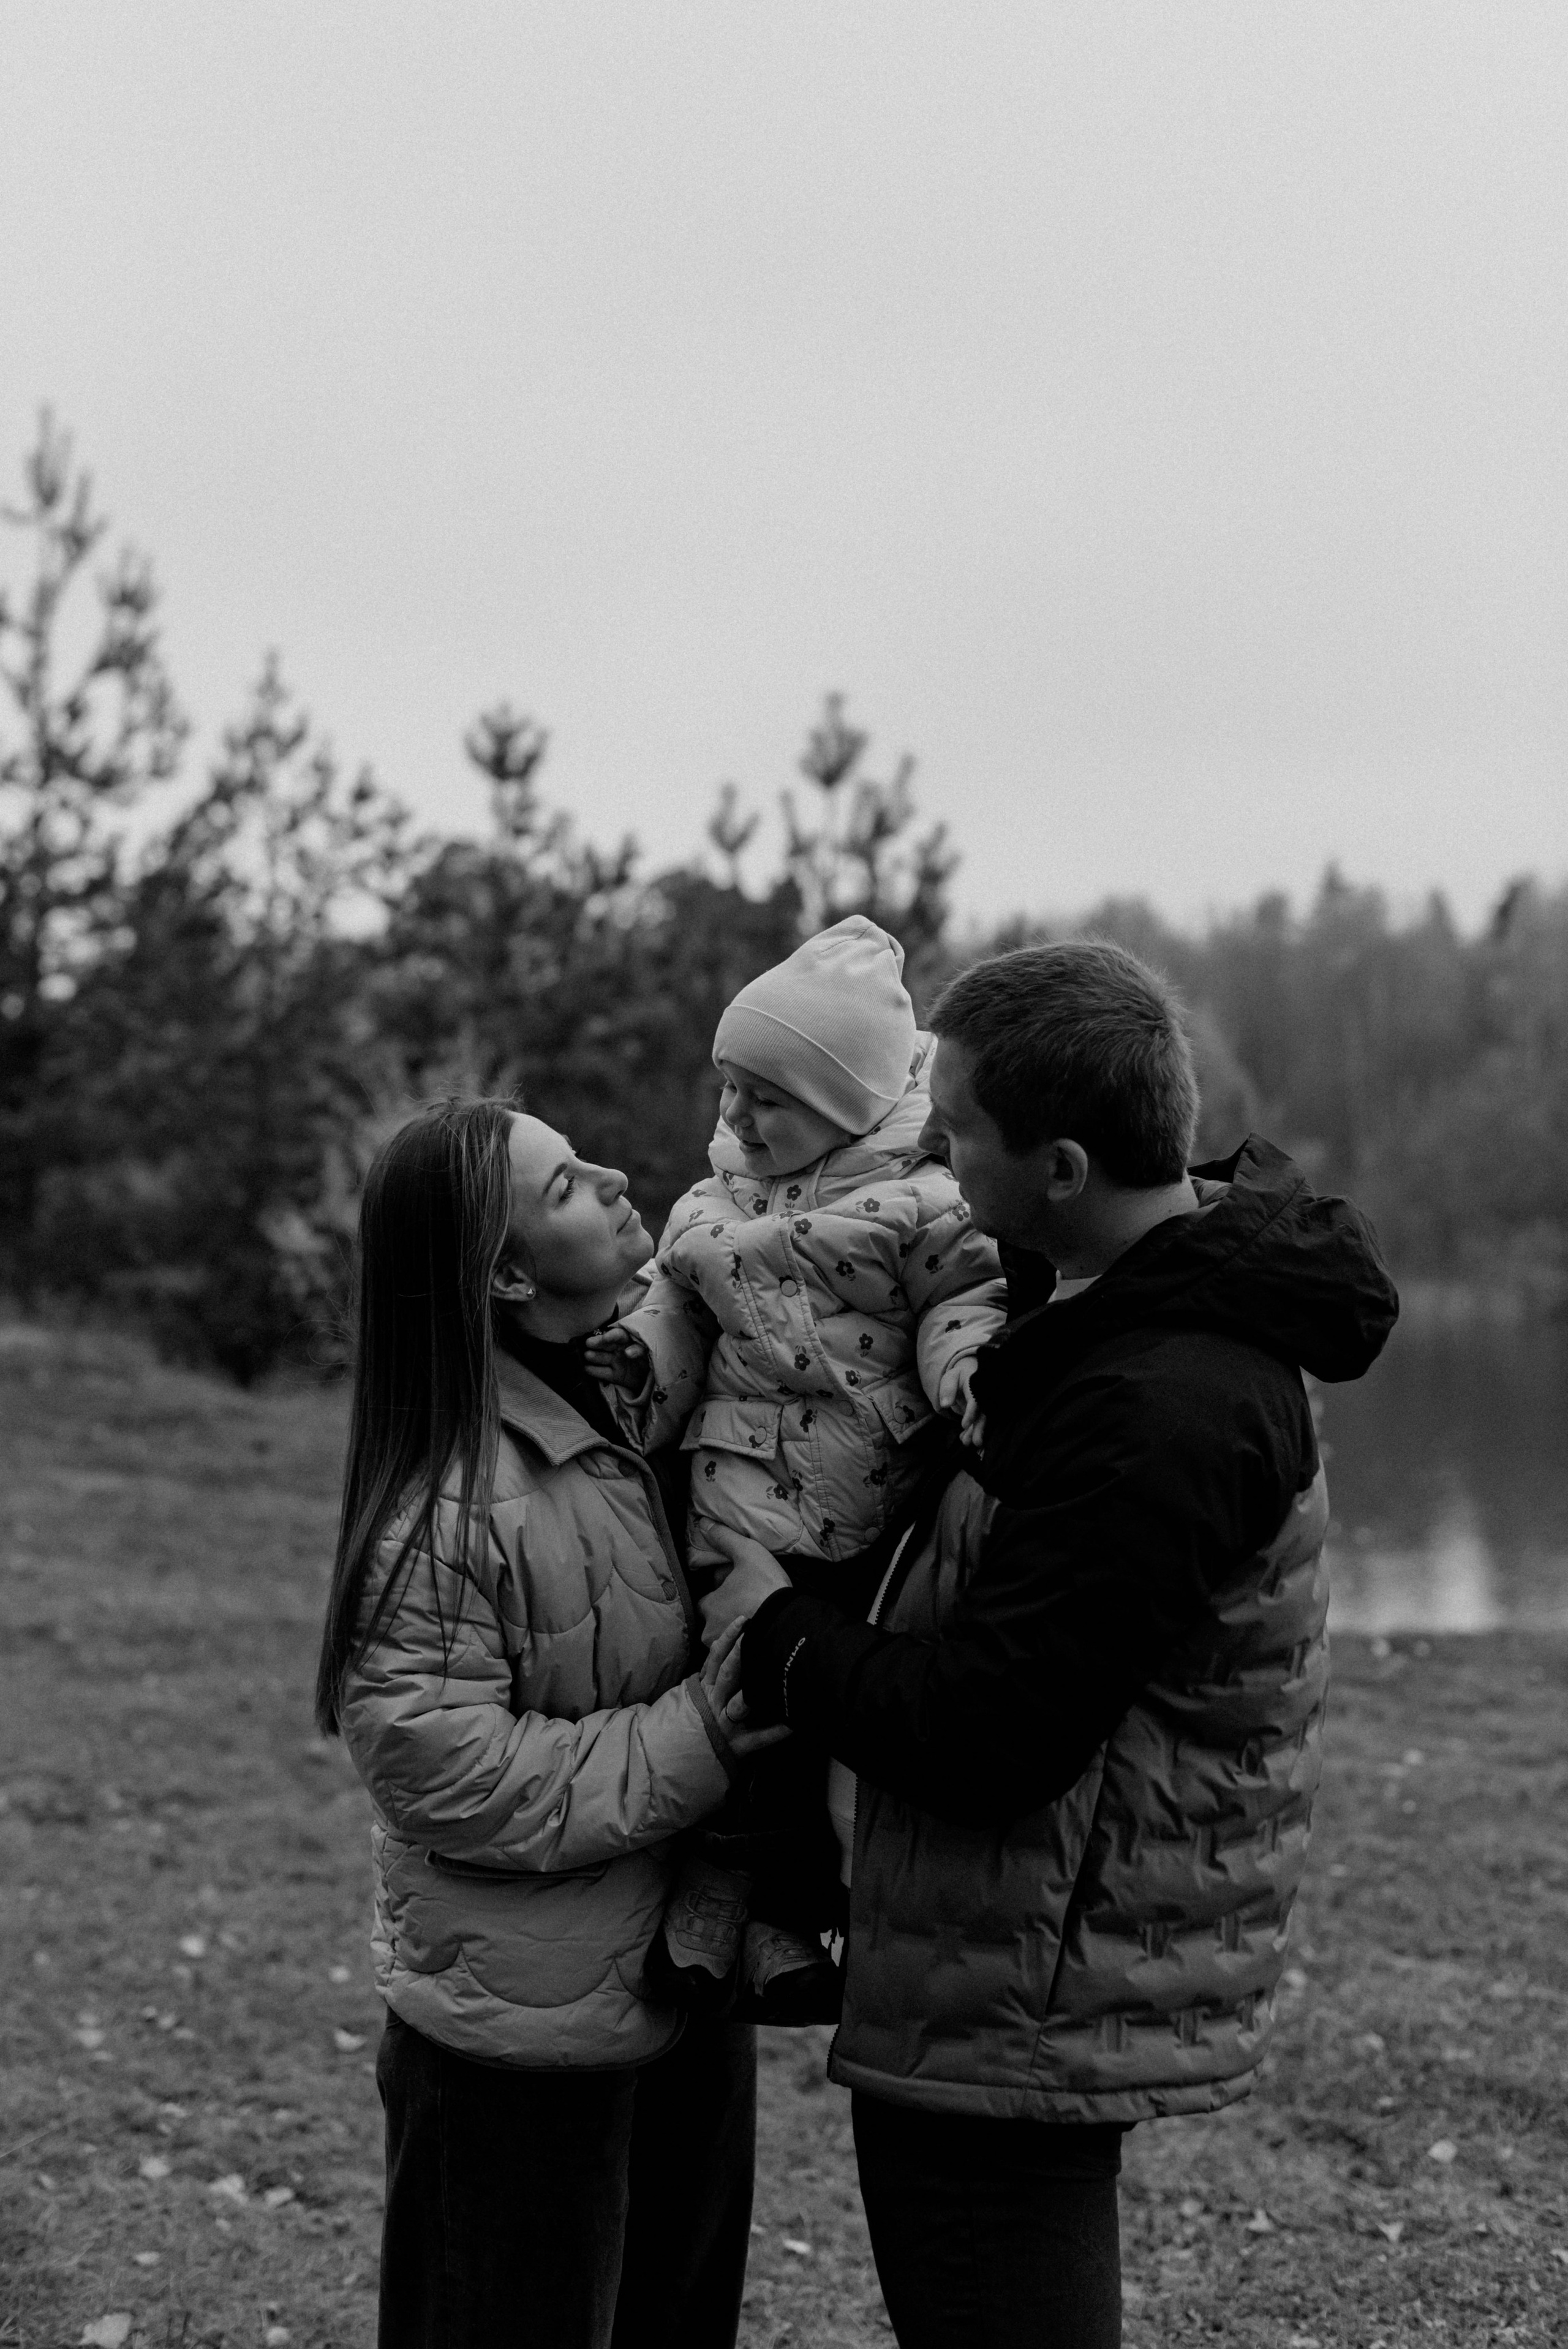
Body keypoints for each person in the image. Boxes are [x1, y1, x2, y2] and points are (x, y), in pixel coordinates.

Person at [706, 940, 1400, 2349]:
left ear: (1064, 1163)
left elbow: (995, 1733)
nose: (932, 1154)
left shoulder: (1167, 1400)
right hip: (988, 1948)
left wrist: (775, 1633)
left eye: (954, 1129)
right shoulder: (1088, 1299)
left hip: (1026, 1975)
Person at [313, 1097, 785, 2349]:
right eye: (572, 1182)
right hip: (516, 2054)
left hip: (675, 2000)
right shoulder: (448, 1504)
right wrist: (704, 1736)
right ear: (510, 1272)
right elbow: (447, 1773)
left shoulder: (644, 1412)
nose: (622, 1175)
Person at [589, 916, 1005, 2018]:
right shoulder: (713, 1205)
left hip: (864, 1499)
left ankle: (791, 1914)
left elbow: (964, 1300)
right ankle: (720, 1886)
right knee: (732, 1701)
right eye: (728, 1088)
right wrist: (642, 1357)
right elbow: (678, 1308)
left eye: (765, 1096)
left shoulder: (922, 1198)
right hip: (731, 1497)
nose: (734, 1116)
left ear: (844, 1102)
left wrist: (968, 1371)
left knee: (824, 1717)